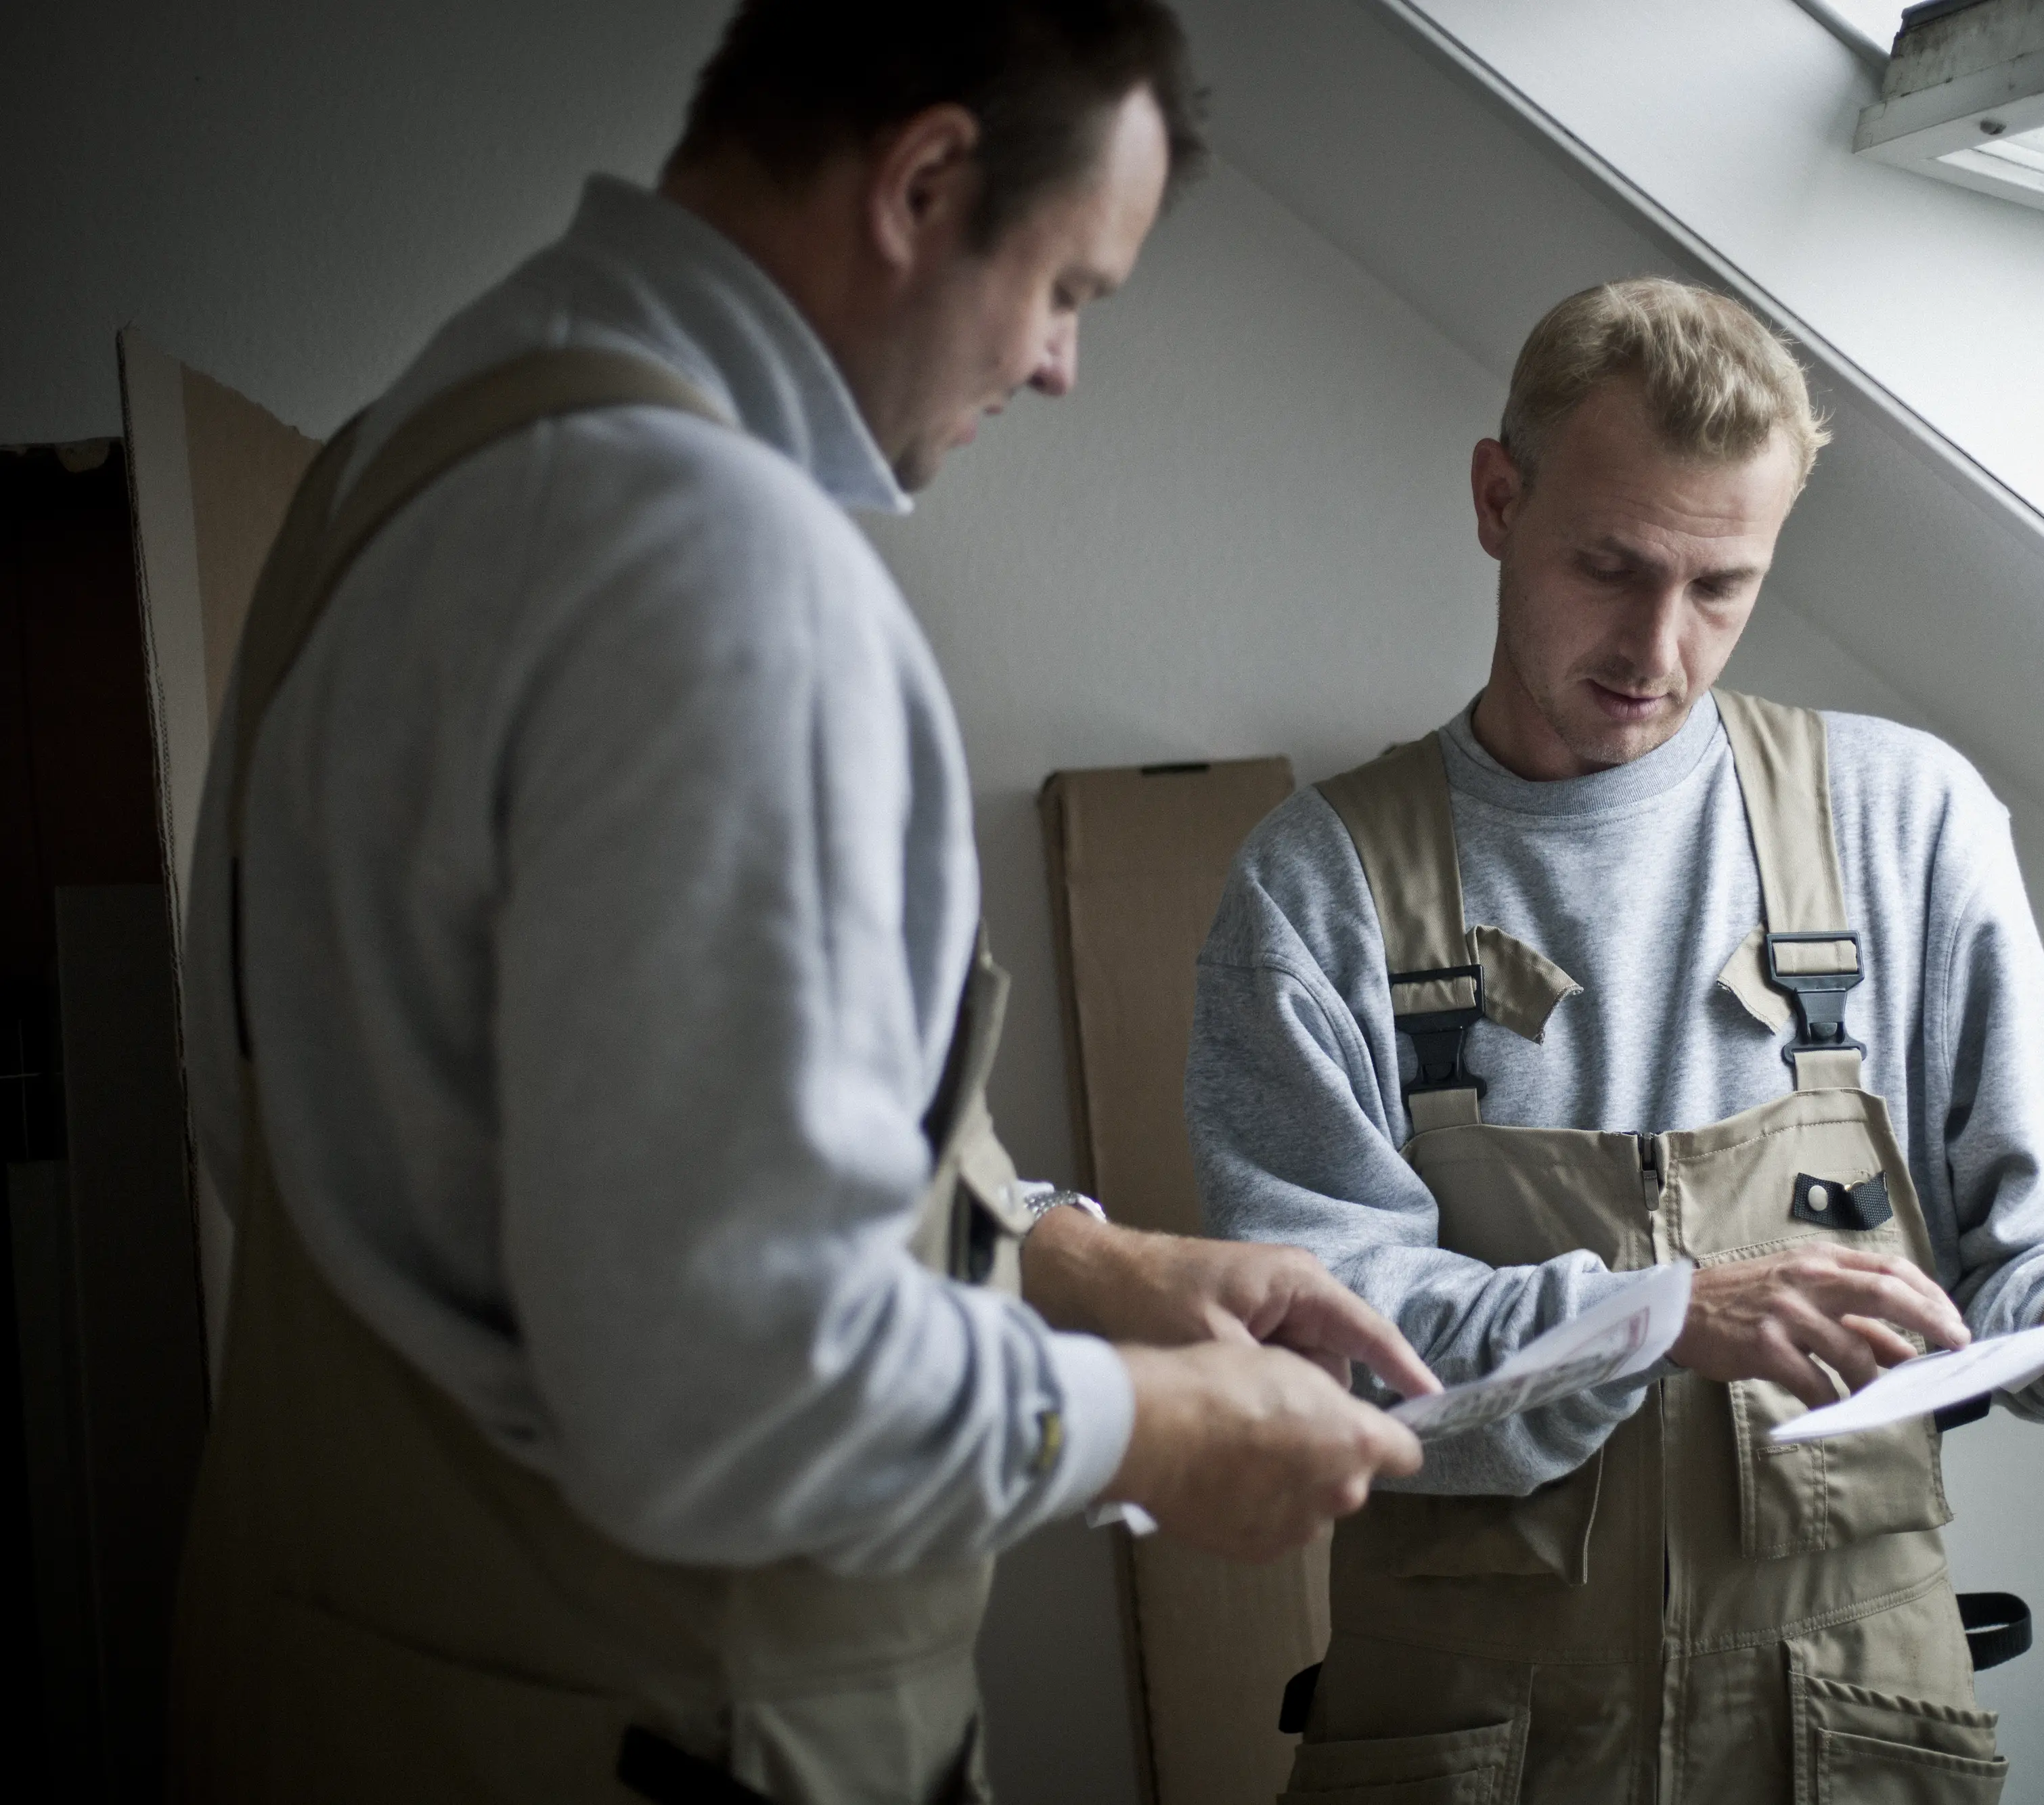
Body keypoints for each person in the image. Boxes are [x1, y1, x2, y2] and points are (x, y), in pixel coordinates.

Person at [167, 5, 1434, 1802]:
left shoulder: (408, 455)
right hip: (660, 1737)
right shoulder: (723, 571)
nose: (1065, 366)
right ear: (922, 181)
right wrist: (1161, 1426)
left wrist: (1089, 1261)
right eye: (1070, 288)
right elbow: (741, 1390)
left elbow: (344, 1126)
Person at [1186, 277, 2044, 1802]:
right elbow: (1318, 1347)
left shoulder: (1902, 821)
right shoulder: (1313, 885)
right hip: (1475, 1735)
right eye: (1608, 565)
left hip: (1839, 1726)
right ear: (1496, 498)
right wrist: (1656, 1312)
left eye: (1720, 586)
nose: (1655, 648)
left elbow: (2028, 1249)